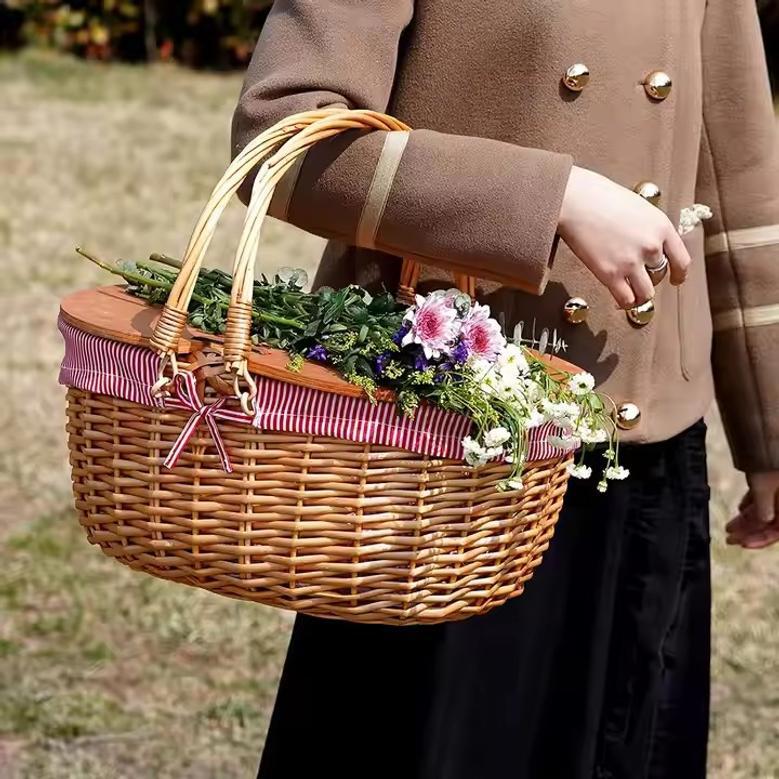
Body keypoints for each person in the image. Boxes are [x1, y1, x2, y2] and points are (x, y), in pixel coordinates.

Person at [231, 2, 779, 777]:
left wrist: (769, 422)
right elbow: (280, 137)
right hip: (449, 450)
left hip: (636, 450)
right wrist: (549, 198)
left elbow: (741, 169)